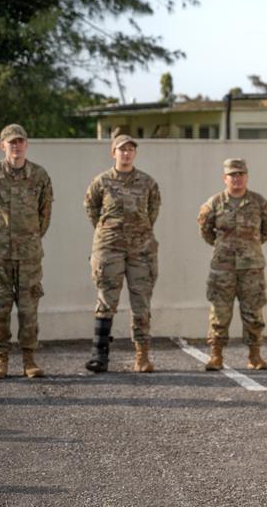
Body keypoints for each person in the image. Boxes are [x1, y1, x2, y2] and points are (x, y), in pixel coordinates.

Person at [0, 124, 53, 379]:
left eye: (20, 141)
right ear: (3, 146)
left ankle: (29, 359)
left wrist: (30, 237)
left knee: (29, 308)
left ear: (26, 144)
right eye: (11, 142)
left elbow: (45, 213)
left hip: (29, 254)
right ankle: (1, 359)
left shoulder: (39, 175)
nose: (16, 146)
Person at [83, 134, 161, 374]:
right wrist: (110, 232)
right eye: (121, 149)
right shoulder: (102, 182)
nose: (126, 153)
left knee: (141, 303)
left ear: (134, 153)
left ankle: (142, 356)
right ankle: (99, 355)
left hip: (141, 250)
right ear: (113, 152)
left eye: (130, 149)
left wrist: (138, 233)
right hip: (109, 248)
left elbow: (153, 211)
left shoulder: (147, 182)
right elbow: (92, 209)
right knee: (106, 301)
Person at [197, 158, 267, 371]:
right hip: (222, 269)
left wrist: (250, 247)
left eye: (241, 174)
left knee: (253, 313)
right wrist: (223, 247)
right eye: (232, 175)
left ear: (247, 177)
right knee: (219, 313)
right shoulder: (213, 204)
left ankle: (255, 356)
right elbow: (205, 230)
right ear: (225, 178)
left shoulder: (260, 203)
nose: (237, 178)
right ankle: (216, 356)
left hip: (252, 268)